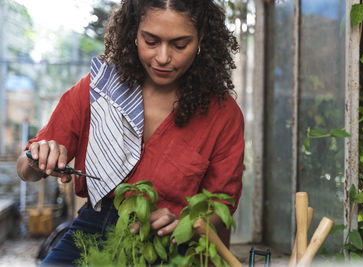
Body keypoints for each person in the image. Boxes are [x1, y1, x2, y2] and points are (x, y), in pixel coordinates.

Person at [17, 0, 244, 265]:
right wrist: (38, 157)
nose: (162, 57)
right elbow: (25, 168)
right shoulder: (98, 90)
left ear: (201, 39)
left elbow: (221, 206)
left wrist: (187, 223)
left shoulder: (223, 115)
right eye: (151, 41)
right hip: (93, 230)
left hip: (168, 244)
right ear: (134, 33)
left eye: (180, 45)